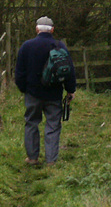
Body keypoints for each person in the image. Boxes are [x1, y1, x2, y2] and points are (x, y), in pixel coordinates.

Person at [14, 16, 77, 166]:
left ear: (36, 29)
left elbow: (19, 72)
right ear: (52, 30)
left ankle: (32, 158)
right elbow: (69, 70)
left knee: (31, 123)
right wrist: (70, 90)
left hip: (33, 92)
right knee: (53, 125)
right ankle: (51, 161)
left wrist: (24, 89)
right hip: (54, 93)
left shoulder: (27, 46)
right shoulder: (59, 46)